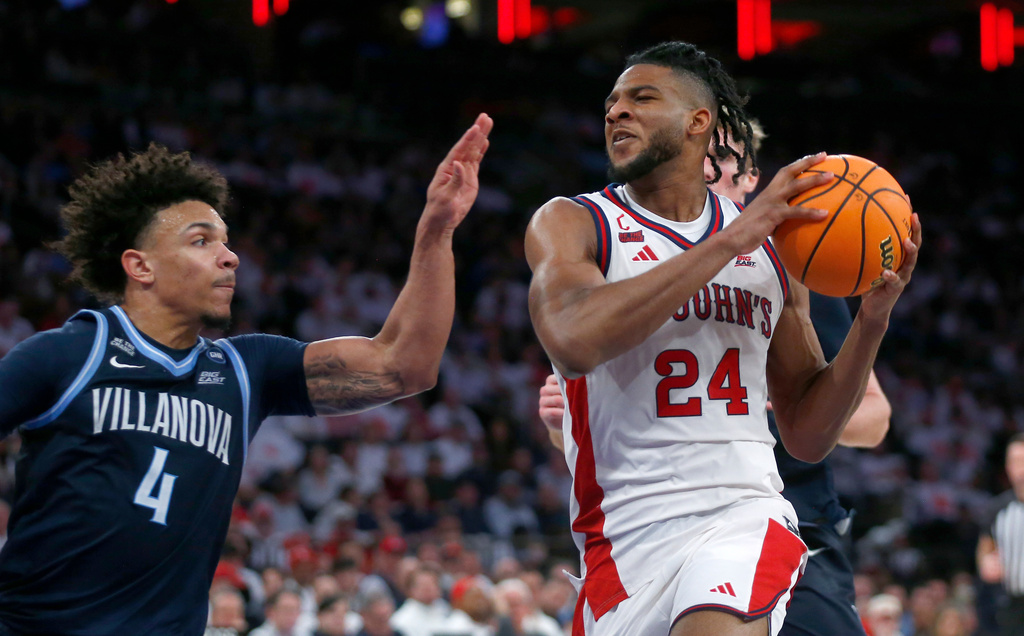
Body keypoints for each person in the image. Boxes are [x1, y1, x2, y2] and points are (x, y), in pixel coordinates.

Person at [0, 113, 492, 635]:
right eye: (201, 241)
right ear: (140, 266)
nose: (230, 257)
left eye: (227, 242)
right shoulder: (69, 354)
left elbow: (404, 367)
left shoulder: (244, 369)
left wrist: (436, 229)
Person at [524, 41, 920, 636]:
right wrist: (730, 242)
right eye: (611, 102)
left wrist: (871, 321)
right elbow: (574, 343)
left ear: (697, 122)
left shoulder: (772, 252)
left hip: (740, 514)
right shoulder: (574, 222)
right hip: (619, 541)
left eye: (640, 98)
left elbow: (808, 436)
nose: (615, 112)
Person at [977, 434, 1024, 636]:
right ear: (1007, 467)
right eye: (1015, 462)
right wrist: (985, 563)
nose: (1021, 468)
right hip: (1011, 604)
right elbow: (984, 551)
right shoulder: (997, 509)